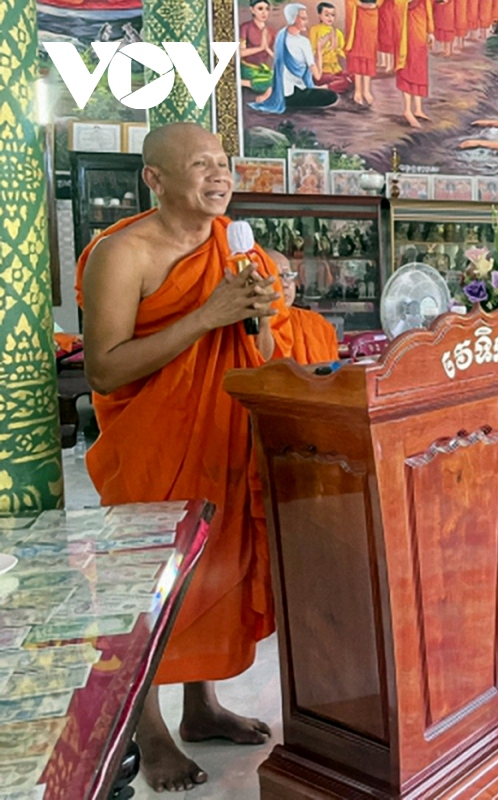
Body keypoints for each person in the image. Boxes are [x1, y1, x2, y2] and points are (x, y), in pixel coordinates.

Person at [75, 123, 290, 792]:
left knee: (214, 563)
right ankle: (149, 729)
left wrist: (255, 314)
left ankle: (201, 707)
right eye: (201, 165)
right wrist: (206, 315)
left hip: (222, 431)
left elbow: (262, 347)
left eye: (223, 163)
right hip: (150, 444)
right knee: (149, 587)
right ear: (156, 179)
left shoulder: (233, 245)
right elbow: (105, 372)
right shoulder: (122, 252)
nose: (219, 175)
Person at [250, 3, 338, 113]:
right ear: (294, 19)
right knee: (332, 96)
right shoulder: (303, 42)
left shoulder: (281, 36)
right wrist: (319, 49)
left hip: (282, 91)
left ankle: (272, 93)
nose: (306, 21)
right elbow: (318, 75)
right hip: (295, 93)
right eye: (303, 18)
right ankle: (294, 103)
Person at [267, 249, 339, 364]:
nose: (285, 284)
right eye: (275, 277)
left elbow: (334, 369)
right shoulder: (252, 330)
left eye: (287, 275)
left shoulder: (317, 324)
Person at [389, 0, 436, 128]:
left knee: (420, 68)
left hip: (420, 29)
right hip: (406, 30)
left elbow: (428, 6)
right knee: (407, 68)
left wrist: (430, 31)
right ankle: (407, 110)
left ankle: (418, 109)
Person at [309, 2, 353, 93]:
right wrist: (327, 46)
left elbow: (342, 52)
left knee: (354, 76)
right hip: (323, 71)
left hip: (336, 70)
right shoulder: (315, 30)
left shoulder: (337, 32)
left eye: (332, 15)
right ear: (320, 16)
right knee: (343, 81)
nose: (330, 18)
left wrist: (339, 50)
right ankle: (323, 88)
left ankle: (336, 85)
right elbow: (313, 53)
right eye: (327, 15)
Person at [345, 0, 382, 106]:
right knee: (357, 50)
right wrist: (357, 3)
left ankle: (366, 90)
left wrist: (377, 4)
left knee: (369, 52)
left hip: (372, 13)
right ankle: (358, 90)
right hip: (358, 12)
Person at [238, 0, 274, 93]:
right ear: (252, 10)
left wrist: (267, 49)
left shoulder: (271, 31)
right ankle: (242, 82)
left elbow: (275, 54)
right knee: (272, 81)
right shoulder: (245, 27)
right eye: (260, 9)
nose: (264, 12)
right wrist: (261, 48)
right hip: (247, 68)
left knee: (282, 78)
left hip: (262, 68)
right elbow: (239, 53)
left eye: (267, 9)